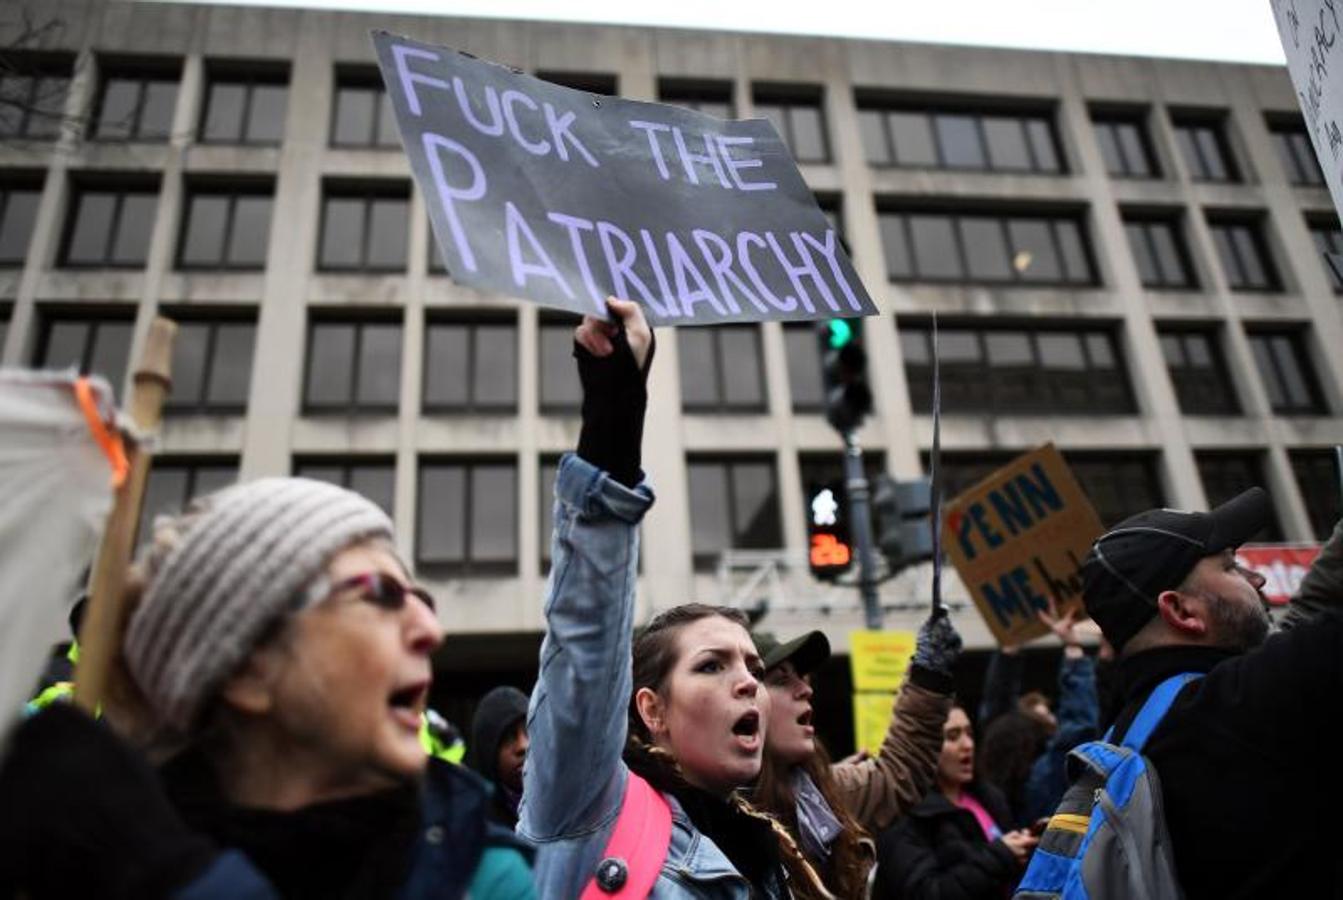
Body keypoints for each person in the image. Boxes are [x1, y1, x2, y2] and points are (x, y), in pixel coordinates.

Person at [0, 476, 534, 899]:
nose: (430, 632)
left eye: (424, 602)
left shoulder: (483, 877)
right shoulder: (79, 864)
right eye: (381, 594)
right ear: (247, 666)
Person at [522, 298, 829, 898]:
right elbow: (583, 647)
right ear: (651, 711)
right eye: (712, 665)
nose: (749, 683)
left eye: (753, 668)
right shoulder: (589, 805)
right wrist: (612, 423)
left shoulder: (778, 859)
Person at [1075, 487, 1343, 897]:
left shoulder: (1135, 732)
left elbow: (1304, 621)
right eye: (1232, 567)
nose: (1259, 577)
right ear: (1182, 611)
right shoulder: (1245, 706)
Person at [751, 620, 959, 898]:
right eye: (780, 680)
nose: (806, 689)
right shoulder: (707, 822)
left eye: (802, 676)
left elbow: (899, 771)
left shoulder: (825, 795)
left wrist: (928, 674)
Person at [872, 706, 1038, 900]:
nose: (967, 745)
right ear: (921, 748)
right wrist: (1000, 856)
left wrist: (1027, 843)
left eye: (969, 733)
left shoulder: (989, 798)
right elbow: (927, 892)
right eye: (952, 736)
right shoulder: (901, 815)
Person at [977, 600, 1098, 827]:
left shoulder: (986, 794)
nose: (1054, 724)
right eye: (1048, 723)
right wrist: (1072, 648)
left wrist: (1008, 650)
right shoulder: (1046, 780)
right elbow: (1078, 727)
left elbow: (996, 712)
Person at [467, 685, 529, 828]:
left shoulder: (568, 804)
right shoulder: (475, 823)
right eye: (508, 737)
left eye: (529, 732)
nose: (523, 746)